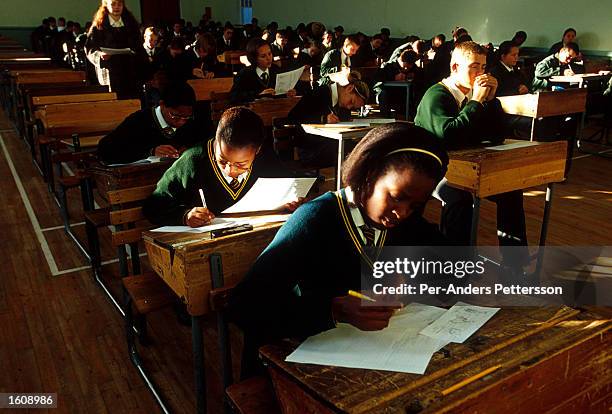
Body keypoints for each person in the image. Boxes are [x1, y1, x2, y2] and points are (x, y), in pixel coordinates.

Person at [226, 122, 449, 377]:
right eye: (396, 197)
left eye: (415, 204)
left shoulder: (405, 222)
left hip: (365, 358)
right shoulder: (314, 220)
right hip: (295, 363)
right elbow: (243, 307)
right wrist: (332, 310)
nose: (402, 212)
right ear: (369, 174)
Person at [415, 41, 528, 268]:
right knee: (459, 197)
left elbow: (497, 136)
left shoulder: (474, 97)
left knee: (510, 190)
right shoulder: (437, 95)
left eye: (483, 67)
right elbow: (450, 137)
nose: (480, 74)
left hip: (464, 167)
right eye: (474, 67)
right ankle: (454, 267)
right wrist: (476, 101)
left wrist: (491, 101)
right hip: (430, 169)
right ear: (455, 67)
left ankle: (514, 265)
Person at [142, 107, 300, 226]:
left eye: (241, 164)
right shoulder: (193, 160)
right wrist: (185, 215)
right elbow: (153, 206)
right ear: (216, 141)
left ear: (257, 151)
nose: (230, 170)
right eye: (222, 160)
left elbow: (292, 185)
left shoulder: (264, 157)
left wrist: (293, 201)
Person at [97, 82, 205, 164]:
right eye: (175, 116)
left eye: (186, 117)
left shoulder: (193, 119)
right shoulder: (139, 121)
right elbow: (105, 150)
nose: (181, 122)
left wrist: (190, 149)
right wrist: (150, 152)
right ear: (162, 104)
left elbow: (205, 141)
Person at [288, 72, 370, 167]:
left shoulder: (344, 106)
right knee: (349, 152)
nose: (349, 107)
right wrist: (322, 119)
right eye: (351, 102)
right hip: (311, 150)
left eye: (353, 107)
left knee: (362, 148)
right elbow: (293, 117)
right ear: (349, 88)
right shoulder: (320, 93)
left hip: (329, 146)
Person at [85, 0, 146, 98]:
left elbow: (138, 46)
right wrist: (100, 56)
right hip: (110, 71)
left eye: (119, 4)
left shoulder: (131, 24)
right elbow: (90, 49)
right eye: (113, 4)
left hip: (130, 71)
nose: (117, 7)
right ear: (106, 6)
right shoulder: (98, 26)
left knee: (133, 103)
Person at [230, 38, 296, 103]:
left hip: (274, 110)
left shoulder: (275, 70)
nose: (268, 58)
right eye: (263, 56)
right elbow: (233, 97)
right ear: (254, 59)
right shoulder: (244, 74)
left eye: (269, 54)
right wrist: (258, 96)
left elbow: (278, 94)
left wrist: (287, 94)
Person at [373, 49, 425, 117]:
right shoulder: (388, 66)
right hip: (390, 94)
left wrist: (414, 76)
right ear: (401, 60)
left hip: (405, 95)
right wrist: (393, 77)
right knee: (384, 94)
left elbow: (422, 76)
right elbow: (377, 79)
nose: (406, 69)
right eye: (405, 66)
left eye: (410, 66)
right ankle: (385, 118)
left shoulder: (413, 68)